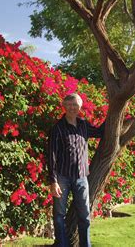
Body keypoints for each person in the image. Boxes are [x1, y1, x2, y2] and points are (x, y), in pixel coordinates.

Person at [47, 93, 105, 247]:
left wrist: (114, 115)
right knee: (59, 215)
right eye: (70, 104)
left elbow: (100, 132)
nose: (73, 108)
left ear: (80, 107)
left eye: (76, 105)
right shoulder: (57, 128)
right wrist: (53, 181)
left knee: (85, 216)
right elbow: (51, 155)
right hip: (62, 178)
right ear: (64, 106)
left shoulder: (83, 125)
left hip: (81, 178)